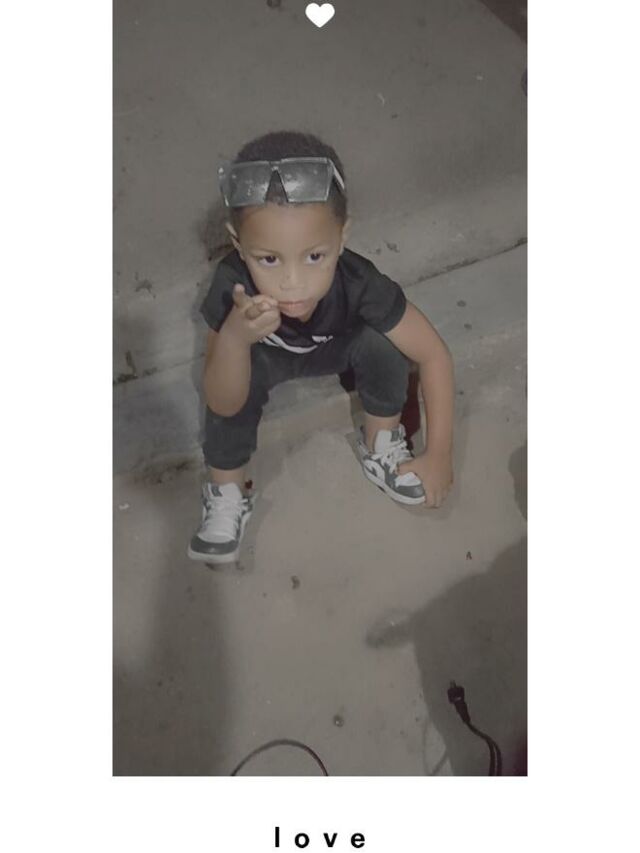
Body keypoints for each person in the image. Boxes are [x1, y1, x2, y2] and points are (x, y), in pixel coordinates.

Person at [188, 130, 454, 563]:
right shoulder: (231, 286)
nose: (293, 282)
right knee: (227, 379)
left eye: (315, 256)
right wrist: (235, 338)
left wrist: (439, 453)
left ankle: (381, 441)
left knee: (384, 344)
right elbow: (221, 400)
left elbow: (433, 354)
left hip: (338, 347)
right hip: (264, 356)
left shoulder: (360, 282)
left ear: (341, 236)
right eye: (268, 259)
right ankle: (226, 487)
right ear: (238, 244)